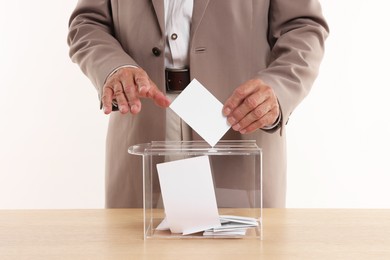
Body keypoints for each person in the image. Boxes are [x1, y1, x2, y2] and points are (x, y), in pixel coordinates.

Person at [68, 0, 328, 208]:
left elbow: (303, 27)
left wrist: (278, 89)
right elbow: (87, 22)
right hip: (143, 119)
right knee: (137, 247)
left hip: (236, 127)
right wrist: (114, 67)